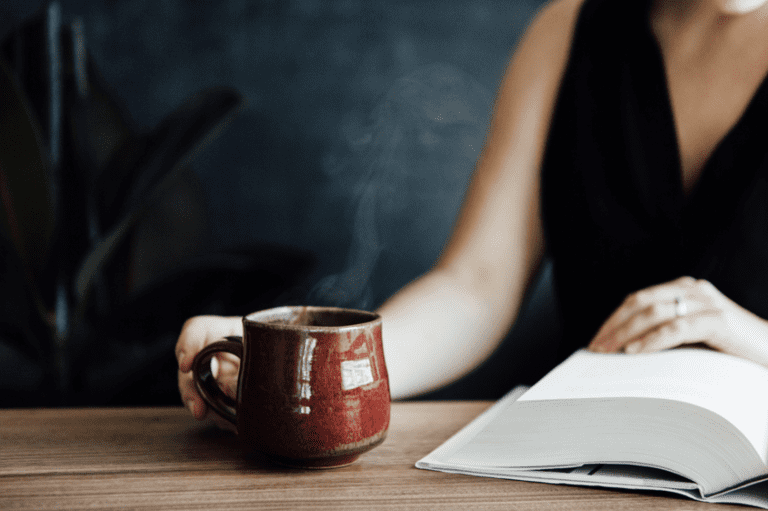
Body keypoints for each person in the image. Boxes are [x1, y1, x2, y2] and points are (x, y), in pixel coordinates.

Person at [176, 0, 768, 425]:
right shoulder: (567, 30)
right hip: (589, 459)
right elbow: (476, 287)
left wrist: (744, 333)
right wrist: (307, 359)